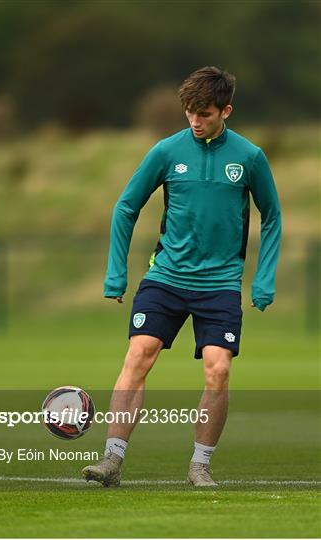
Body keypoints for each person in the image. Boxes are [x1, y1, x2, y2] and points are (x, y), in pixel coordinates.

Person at [82, 66, 281, 487]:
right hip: (167, 276)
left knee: (218, 370)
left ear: (225, 110)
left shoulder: (249, 157)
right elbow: (125, 207)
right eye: (189, 111)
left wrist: (263, 279)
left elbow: (273, 216)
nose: (194, 120)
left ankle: (199, 466)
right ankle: (111, 461)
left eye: (204, 113)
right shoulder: (166, 151)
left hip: (220, 284)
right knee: (139, 354)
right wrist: (115, 273)